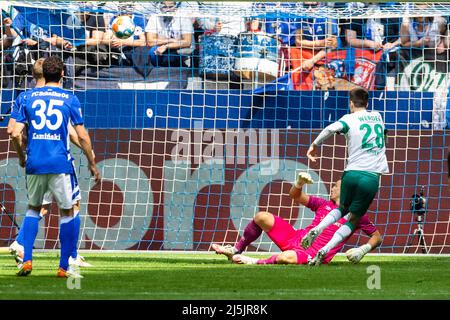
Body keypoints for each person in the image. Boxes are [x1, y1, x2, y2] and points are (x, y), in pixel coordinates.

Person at [11, 56, 100, 277]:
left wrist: (22, 156)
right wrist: (91, 162)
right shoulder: (69, 99)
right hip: (60, 162)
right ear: (62, 74)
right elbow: (82, 135)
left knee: (33, 208)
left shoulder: (26, 97)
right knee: (68, 211)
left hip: (34, 161)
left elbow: (13, 132)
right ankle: (64, 265)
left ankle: (27, 260)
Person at [212, 172, 382, 265]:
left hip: (314, 254)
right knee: (261, 217)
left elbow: (377, 237)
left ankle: (255, 262)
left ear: (345, 190)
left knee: (285, 258)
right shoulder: (324, 204)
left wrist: (363, 250)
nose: (331, 188)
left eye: (335, 186)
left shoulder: (357, 214)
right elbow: (295, 196)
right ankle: (236, 250)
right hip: (296, 238)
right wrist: (299, 183)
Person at [301, 87, 389, 266]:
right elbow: (383, 135)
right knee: (353, 218)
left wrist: (314, 145)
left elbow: (330, 129)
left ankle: (318, 228)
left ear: (351, 103)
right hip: (371, 176)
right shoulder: (378, 116)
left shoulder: (348, 119)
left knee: (341, 208)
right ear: (368, 103)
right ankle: (325, 249)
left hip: (351, 173)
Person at [145, 1, 194, 67]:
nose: (168, 9)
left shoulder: (184, 17)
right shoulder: (154, 17)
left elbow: (187, 42)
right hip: (161, 47)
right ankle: (159, 71)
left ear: (176, 7)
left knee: (170, 58)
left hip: (179, 48)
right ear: (160, 8)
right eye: (164, 7)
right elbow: (150, 42)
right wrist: (171, 40)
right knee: (153, 52)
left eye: (171, 7)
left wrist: (166, 46)